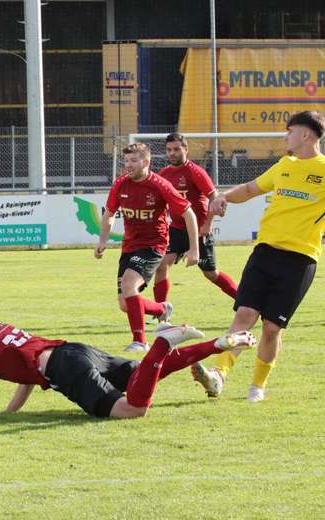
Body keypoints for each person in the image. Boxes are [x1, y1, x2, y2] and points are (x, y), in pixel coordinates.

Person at [0, 293, 256, 422]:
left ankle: (163, 343)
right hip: (74, 351)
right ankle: (217, 344)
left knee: (132, 409)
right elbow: (27, 371)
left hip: (66, 368)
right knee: (149, 374)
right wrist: (9, 413)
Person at [192, 111, 325, 403]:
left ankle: (257, 387)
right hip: (264, 253)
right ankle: (218, 375)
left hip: (300, 260)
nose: (285, 137)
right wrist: (225, 196)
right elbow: (252, 189)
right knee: (245, 315)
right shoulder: (284, 165)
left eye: (289, 132)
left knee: (271, 327)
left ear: (305, 135)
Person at [96, 142, 200, 353]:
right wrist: (102, 240)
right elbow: (109, 214)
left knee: (128, 284)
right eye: (126, 161)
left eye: (133, 161)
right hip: (130, 246)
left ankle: (140, 341)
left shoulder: (160, 185)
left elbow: (188, 213)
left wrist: (194, 249)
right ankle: (162, 308)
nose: (128, 165)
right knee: (125, 304)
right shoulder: (121, 184)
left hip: (154, 245)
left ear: (146, 162)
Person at [153, 133, 239, 303]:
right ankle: (161, 313)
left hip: (199, 230)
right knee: (162, 266)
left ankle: (245, 301)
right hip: (177, 229)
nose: (172, 153)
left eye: (176, 149)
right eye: (169, 150)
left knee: (210, 274)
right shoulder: (164, 173)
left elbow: (214, 198)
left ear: (186, 149)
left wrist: (207, 226)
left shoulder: (195, 172)